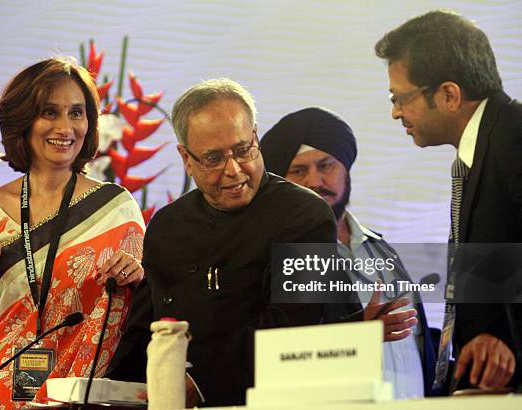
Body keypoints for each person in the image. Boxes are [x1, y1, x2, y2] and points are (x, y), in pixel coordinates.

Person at [0, 58, 146, 408]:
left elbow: (146, 312)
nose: (65, 127)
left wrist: (138, 276)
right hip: (0, 395)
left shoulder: (116, 208)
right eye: (49, 112)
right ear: (23, 121)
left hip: (88, 395)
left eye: (77, 113)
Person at [106, 79, 339, 407]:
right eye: (213, 158)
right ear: (186, 159)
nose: (234, 170)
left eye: (243, 151)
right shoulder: (166, 225)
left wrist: (197, 381)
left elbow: (292, 328)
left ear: (256, 137)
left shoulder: (308, 215)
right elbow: (144, 330)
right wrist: (107, 392)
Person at [374, 10, 522, 392]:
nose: (395, 113)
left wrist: (508, 344)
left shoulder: (516, 137)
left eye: (399, 98)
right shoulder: (484, 148)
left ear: (449, 95)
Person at [260, 106, 436, 398]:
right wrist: (358, 335)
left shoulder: (380, 248)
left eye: (325, 165)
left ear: (346, 169)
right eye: (299, 171)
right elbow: (282, 353)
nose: (315, 182)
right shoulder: (280, 259)